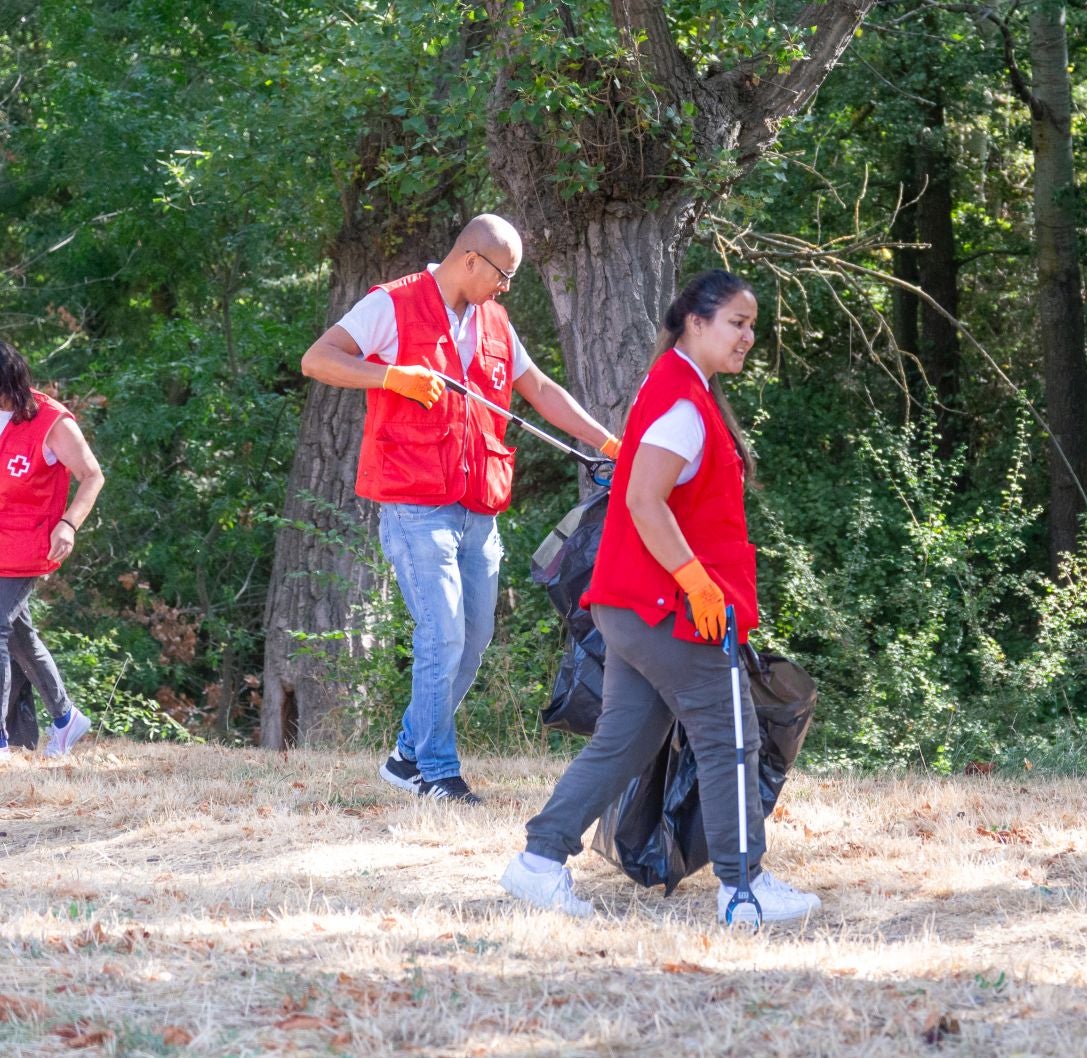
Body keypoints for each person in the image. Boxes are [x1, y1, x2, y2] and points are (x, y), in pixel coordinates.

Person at [500, 270, 820, 925]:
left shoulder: (675, 385)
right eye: (737, 323)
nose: (748, 337)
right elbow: (645, 502)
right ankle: (743, 890)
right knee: (730, 737)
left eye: (752, 326)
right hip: (667, 608)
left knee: (623, 742)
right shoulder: (682, 404)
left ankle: (538, 862)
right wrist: (697, 583)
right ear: (696, 322)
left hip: (632, 604)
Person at [300, 214, 619, 803]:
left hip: (479, 509)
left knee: (472, 640)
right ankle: (436, 773)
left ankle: (406, 754)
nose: (506, 287)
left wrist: (607, 443)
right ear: (471, 259)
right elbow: (317, 359)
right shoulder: (392, 304)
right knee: (442, 634)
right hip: (416, 505)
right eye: (503, 274)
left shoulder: (495, 320)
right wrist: (391, 377)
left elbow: (540, 389)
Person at [0, 340, 105, 767]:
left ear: (11, 379)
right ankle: (66, 718)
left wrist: (69, 524)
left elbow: (92, 475)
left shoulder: (51, 422)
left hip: (26, 545)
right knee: (20, 635)